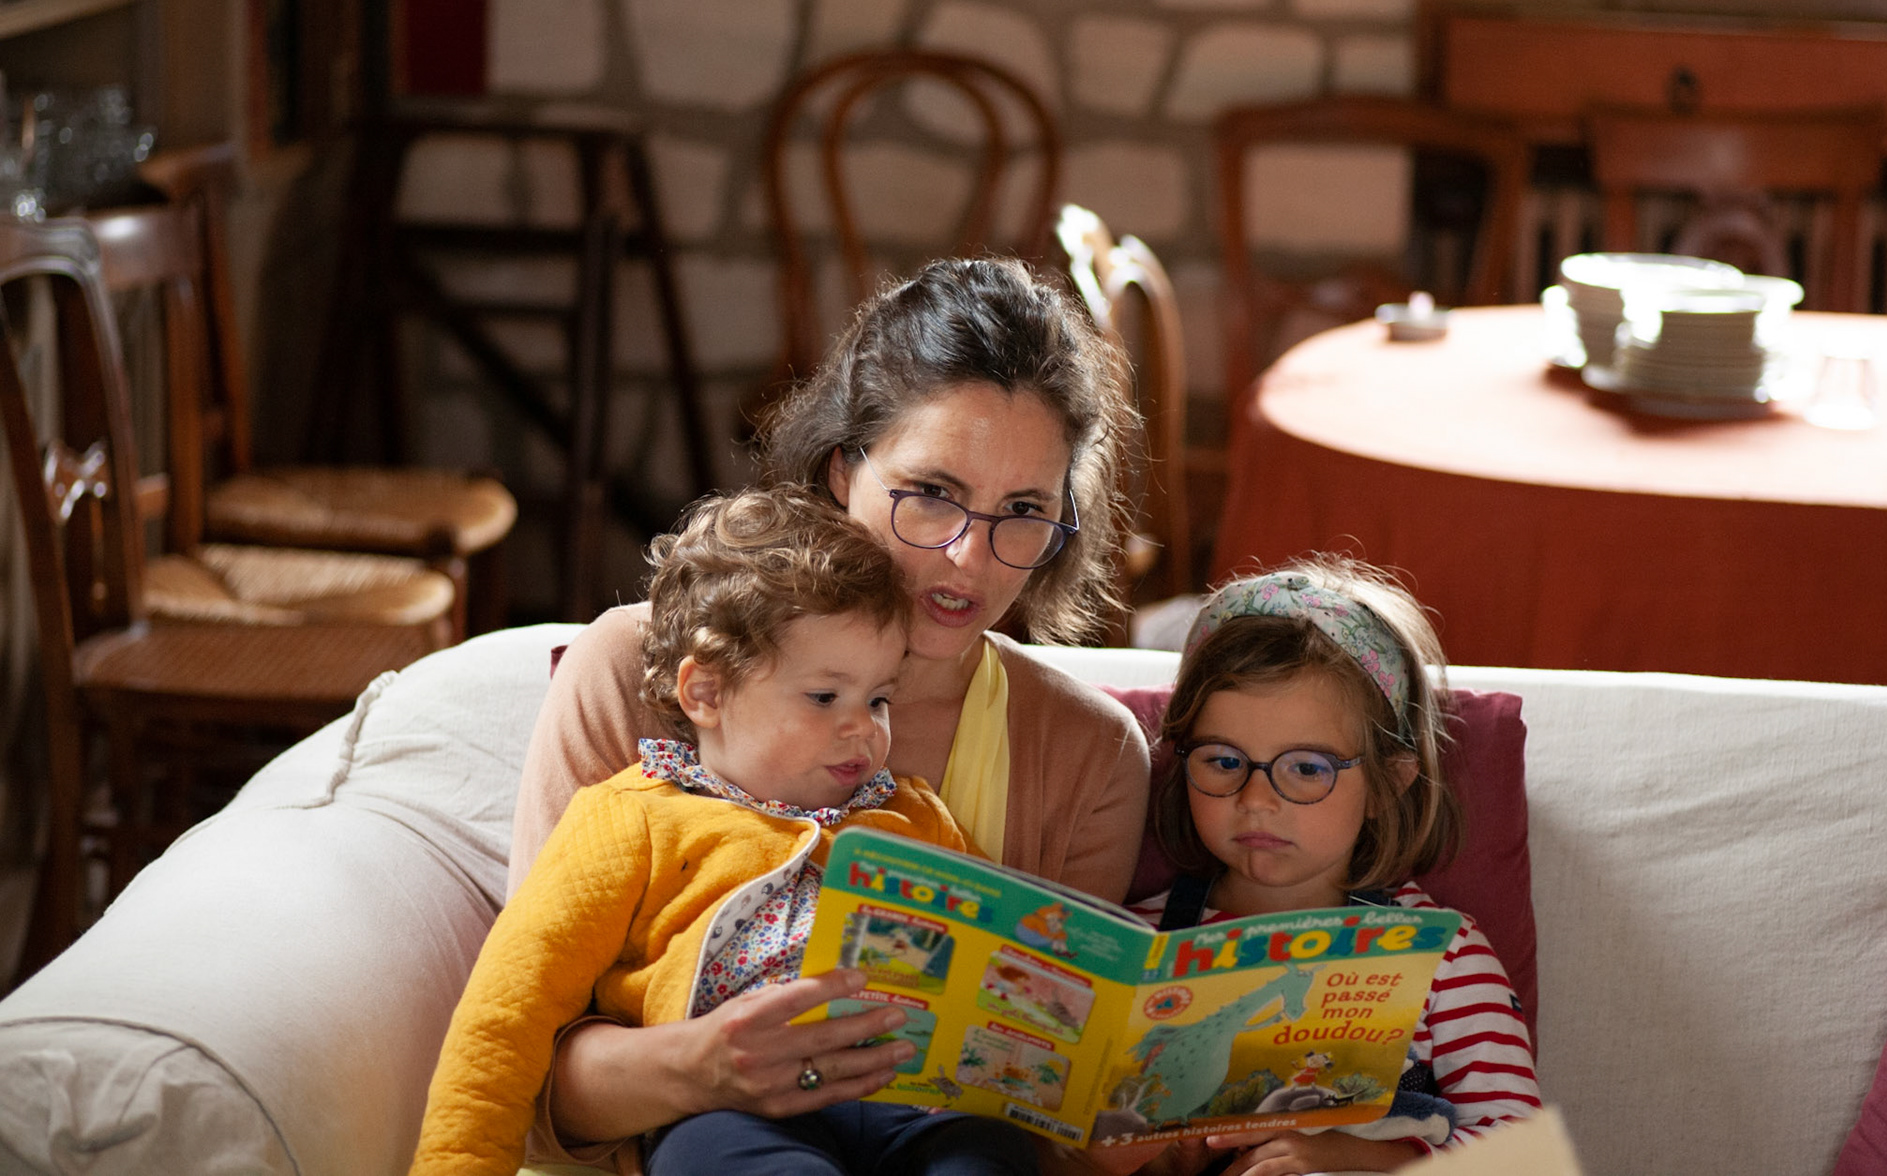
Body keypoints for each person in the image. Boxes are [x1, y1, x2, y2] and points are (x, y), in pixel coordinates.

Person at [509, 258, 1153, 1167]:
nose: (969, 560)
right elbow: (528, 1075)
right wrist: (706, 1069)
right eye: (931, 493)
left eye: (1022, 511)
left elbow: (1051, 1109)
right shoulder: (640, 671)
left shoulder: (1090, 755)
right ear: (844, 468)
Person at [410, 487, 1035, 1176]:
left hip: (919, 1104)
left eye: (879, 698)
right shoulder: (636, 818)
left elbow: (1011, 956)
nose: (863, 727)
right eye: (825, 697)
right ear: (705, 693)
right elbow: (507, 1011)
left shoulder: (917, 817)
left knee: (988, 1159)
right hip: (734, 1113)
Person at [1121, 559, 1540, 1176]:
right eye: (1222, 761)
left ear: (1385, 786)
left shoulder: (1444, 955)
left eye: (1308, 769)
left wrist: (1350, 1156)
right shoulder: (1139, 943)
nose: (1255, 800)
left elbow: (1521, 1158)